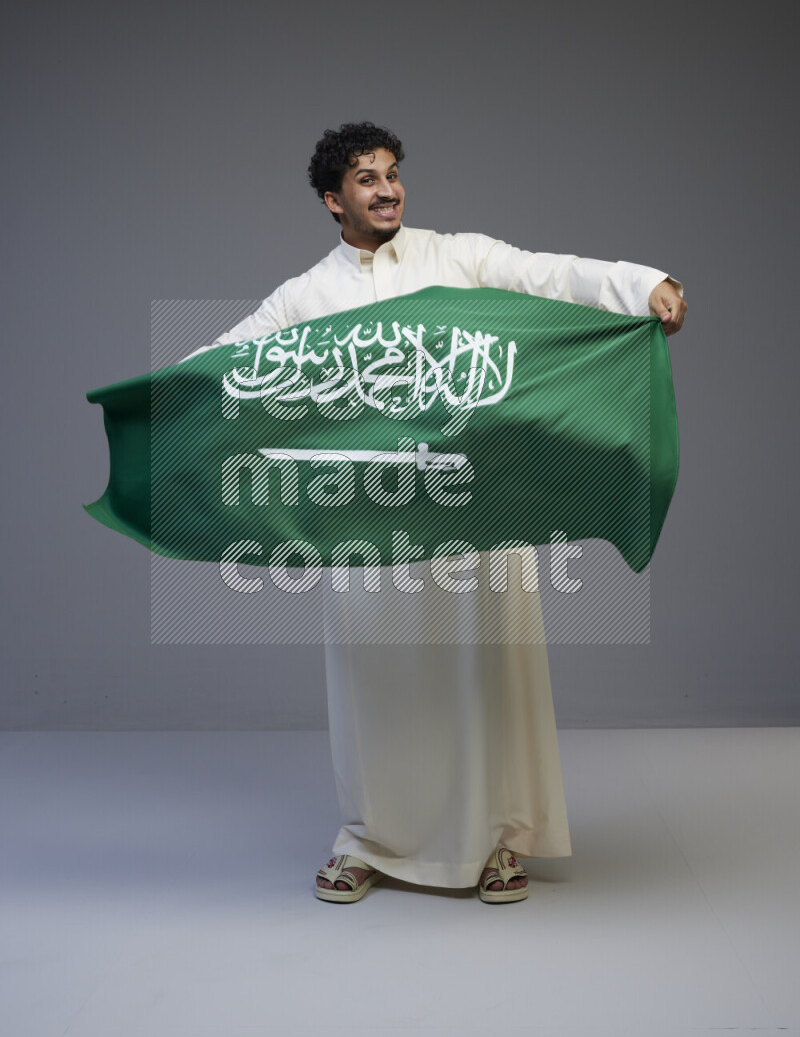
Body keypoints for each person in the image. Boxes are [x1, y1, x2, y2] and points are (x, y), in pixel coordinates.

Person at [191, 122, 687, 904]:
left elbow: (547, 274)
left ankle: (497, 842)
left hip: (474, 504)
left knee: (485, 670)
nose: (387, 188)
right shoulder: (306, 296)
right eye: (365, 177)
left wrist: (639, 284)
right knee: (376, 682)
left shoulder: (454, 256)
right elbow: (223, 367)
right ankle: (369, 837)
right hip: (369, 519)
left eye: (392, 173)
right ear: (332, 199)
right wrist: (153, 405)